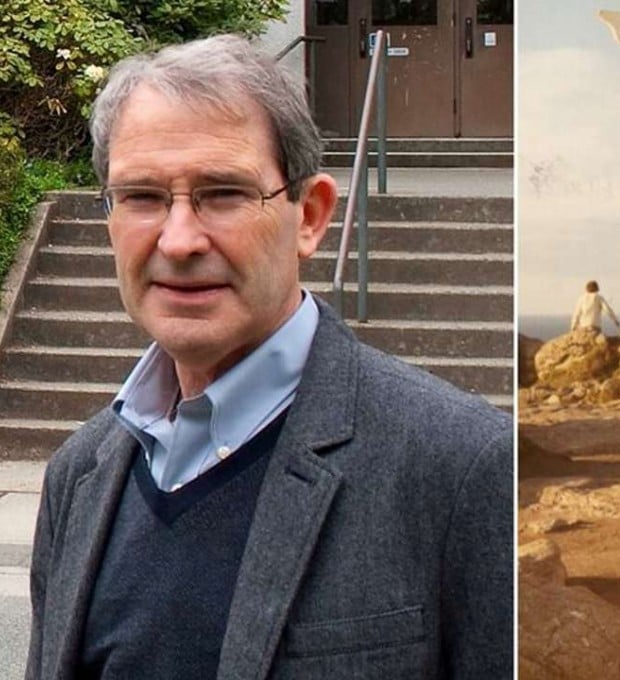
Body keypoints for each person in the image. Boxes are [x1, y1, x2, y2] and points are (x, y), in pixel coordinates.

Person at [25, 35, 512, 679]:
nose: (179, 240)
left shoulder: (465, 467)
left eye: (224, 193)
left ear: (309, 216)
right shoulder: (78, 473)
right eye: (142, 196)